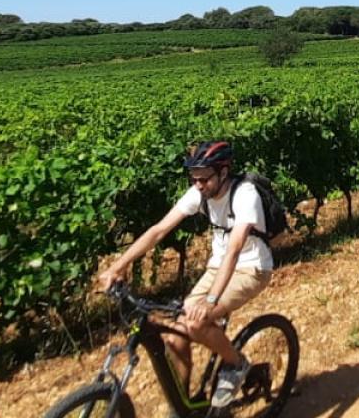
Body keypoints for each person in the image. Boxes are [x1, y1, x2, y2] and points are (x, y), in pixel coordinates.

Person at [93, 140, 271, 409]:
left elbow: (234, 250)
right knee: (176, 334)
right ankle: (184, 407)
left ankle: (237, 365)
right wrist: (119, 265)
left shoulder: (246, 195)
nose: (198, 185)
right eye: (194, 178)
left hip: (251, 268)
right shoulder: (199, 193)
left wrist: (210, 300)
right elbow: (158, 230)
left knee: (197, 322)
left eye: (203, 179)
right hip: (218, 267)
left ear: (223, 172)